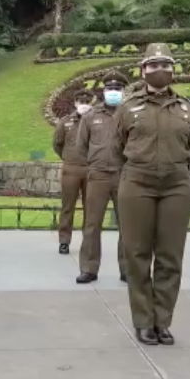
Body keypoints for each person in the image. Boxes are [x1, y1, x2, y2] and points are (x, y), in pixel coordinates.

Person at [113, 43, 190, 346]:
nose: (160, 70)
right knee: (136, 254)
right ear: (143, 70)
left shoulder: (187, 108)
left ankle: (163, 320)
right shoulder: (127, 108)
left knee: (170, 256)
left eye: (166, 64)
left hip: (176, 184)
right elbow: (117, 147)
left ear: (173, 70)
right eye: (153, 65)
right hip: (137, 183)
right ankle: (143, 320)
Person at [74, 71, 129, 284]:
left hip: (123, 174)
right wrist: (94, 164)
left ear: (123, 92)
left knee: (127, 224)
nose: (113, 92)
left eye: (117, 89)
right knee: (92, 223)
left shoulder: (129, 114)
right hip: (97, 175)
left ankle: (127, 269)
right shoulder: (90, 116)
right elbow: (81, 146)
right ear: (103, 91)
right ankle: (89, 268)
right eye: (109, 89)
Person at [52, 90, 94, 254]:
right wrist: (66, 157)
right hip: (71, 168)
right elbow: (57, 143)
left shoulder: (96, 121)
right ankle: (64, 241)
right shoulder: (65, 122)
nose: (84, 104)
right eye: (80, 101)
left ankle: (89, 241)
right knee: (67, 206)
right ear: (75, 103)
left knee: (90, 207)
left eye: (87, 101)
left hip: (91, 168)